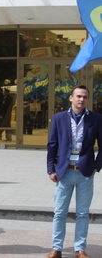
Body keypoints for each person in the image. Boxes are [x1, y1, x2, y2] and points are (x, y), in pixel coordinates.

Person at [46, 85, 102, 258]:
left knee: (83, 213)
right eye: (78, 96)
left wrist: (96, 167)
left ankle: (80, 249)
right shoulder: (59, 118)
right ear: (71, 98)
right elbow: (52, 144)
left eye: (85, 97)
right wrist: (51, 169)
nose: (81, 99)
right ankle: (56, 249)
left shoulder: (96, 119)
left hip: (85, 172)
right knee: (60, 212)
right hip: (65, 172)